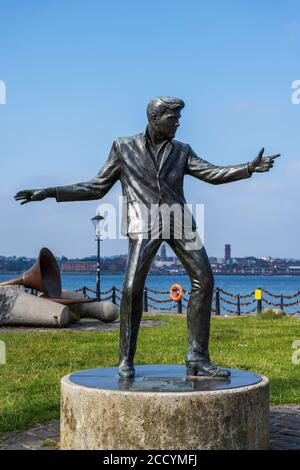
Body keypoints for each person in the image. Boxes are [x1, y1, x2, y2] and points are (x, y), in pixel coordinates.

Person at [15, 97, 280, 379]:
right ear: (155, 119)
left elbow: (212, 173)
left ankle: (197, 358)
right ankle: (126, 359)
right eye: (172, 118)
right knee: (131, 289)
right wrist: (51, 192)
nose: (178, 123)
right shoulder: (123, 147)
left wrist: (248, 168)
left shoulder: (182, 151)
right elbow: (96, 187)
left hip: (179, 222)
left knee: (205, 279)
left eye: (179, 118)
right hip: (144, 223)